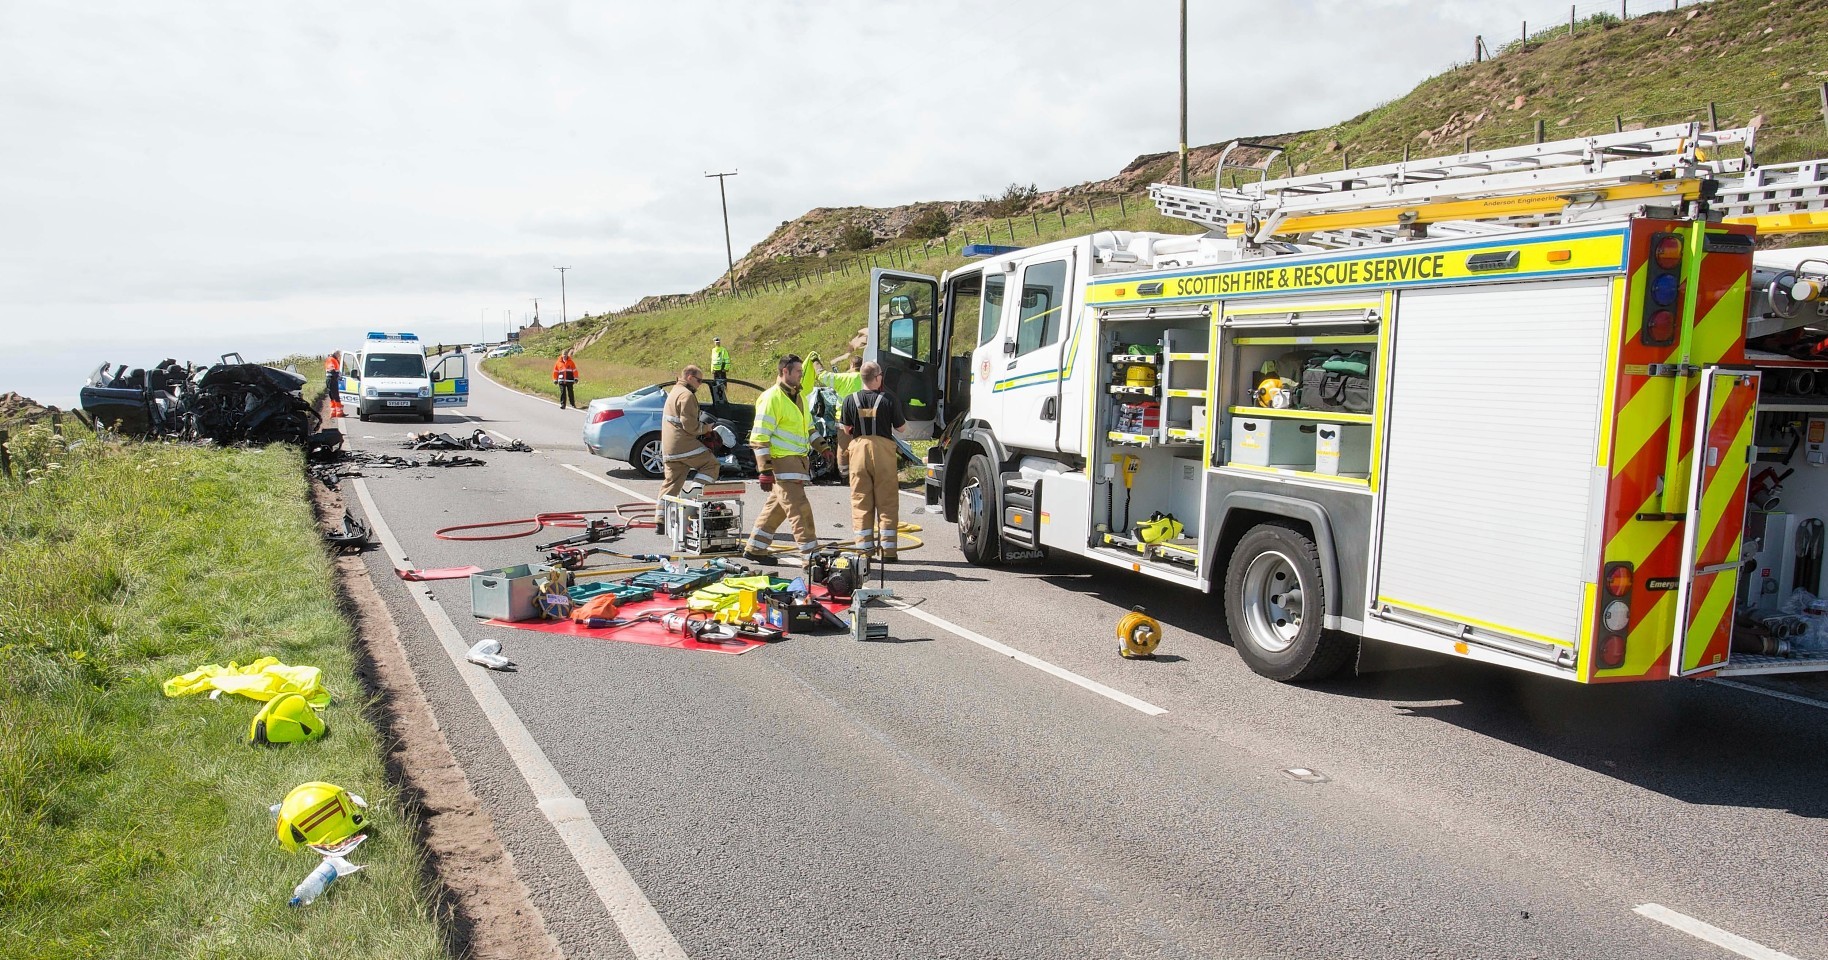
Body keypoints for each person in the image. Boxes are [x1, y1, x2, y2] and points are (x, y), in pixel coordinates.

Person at [742, 354, 818, 567]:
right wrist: (764, 470)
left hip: (797, 463)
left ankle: (756, 547)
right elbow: (759, 437)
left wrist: (823, 447)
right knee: (800, 510)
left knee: (776, 507)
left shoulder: (799, 397)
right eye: (798, 372)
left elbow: (809, 428)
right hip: (782, 464)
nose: (801, 376)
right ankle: (810, 558)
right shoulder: (771, 398)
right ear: (785, 371)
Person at [840, 362, 907, 561]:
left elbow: (846, 429)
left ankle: (864, 551)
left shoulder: (849, 400)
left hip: (858, 452)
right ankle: (888, 552)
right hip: (883, 453)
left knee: (861, 501)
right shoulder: (889, 399)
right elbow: (901, 428)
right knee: (887, 502)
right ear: (877, 378)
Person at [658, 365, 722, 534]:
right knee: (711, 465)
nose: (700, 384)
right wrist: (707, 429)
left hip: (670, 448)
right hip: (683, 445)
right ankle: (694, 497)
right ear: (689, 377)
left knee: (672, 482)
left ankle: (660, 520)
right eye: (699, 380)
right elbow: (691, 426)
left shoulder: (674, 392)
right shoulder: (687, 396)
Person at [812, 353, 866, 477]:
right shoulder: (866, 378)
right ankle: (861, 472)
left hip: (844, 419)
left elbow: (822, 375)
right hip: (863, 418)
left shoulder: (843, 378)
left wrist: (815, 360)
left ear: (852, 365)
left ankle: (844, 475)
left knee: (843, 447)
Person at [709, 337, 731, 404]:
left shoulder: (723, 350)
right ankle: (717, 397)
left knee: (723, 383)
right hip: (715, 370)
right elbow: (712, 360)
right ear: (714, 343)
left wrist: (726, 368)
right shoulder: (713, 350)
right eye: (716, 342)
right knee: (716, 384)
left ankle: (725, 396)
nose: (717, 343)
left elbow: (727, 359)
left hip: (722, 369)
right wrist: (712, 369)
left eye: (718, 342)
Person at [323, 352, 344, 419]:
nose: (339, 356)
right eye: (339, 354)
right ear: (336, 354)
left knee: (332, 396)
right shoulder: (331, 359)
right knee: (335, 395)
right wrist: (337, 376)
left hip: (331, 379)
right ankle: (339, 412)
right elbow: (332, 369)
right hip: (332, 379)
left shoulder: (332, 359)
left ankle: (334, 412)